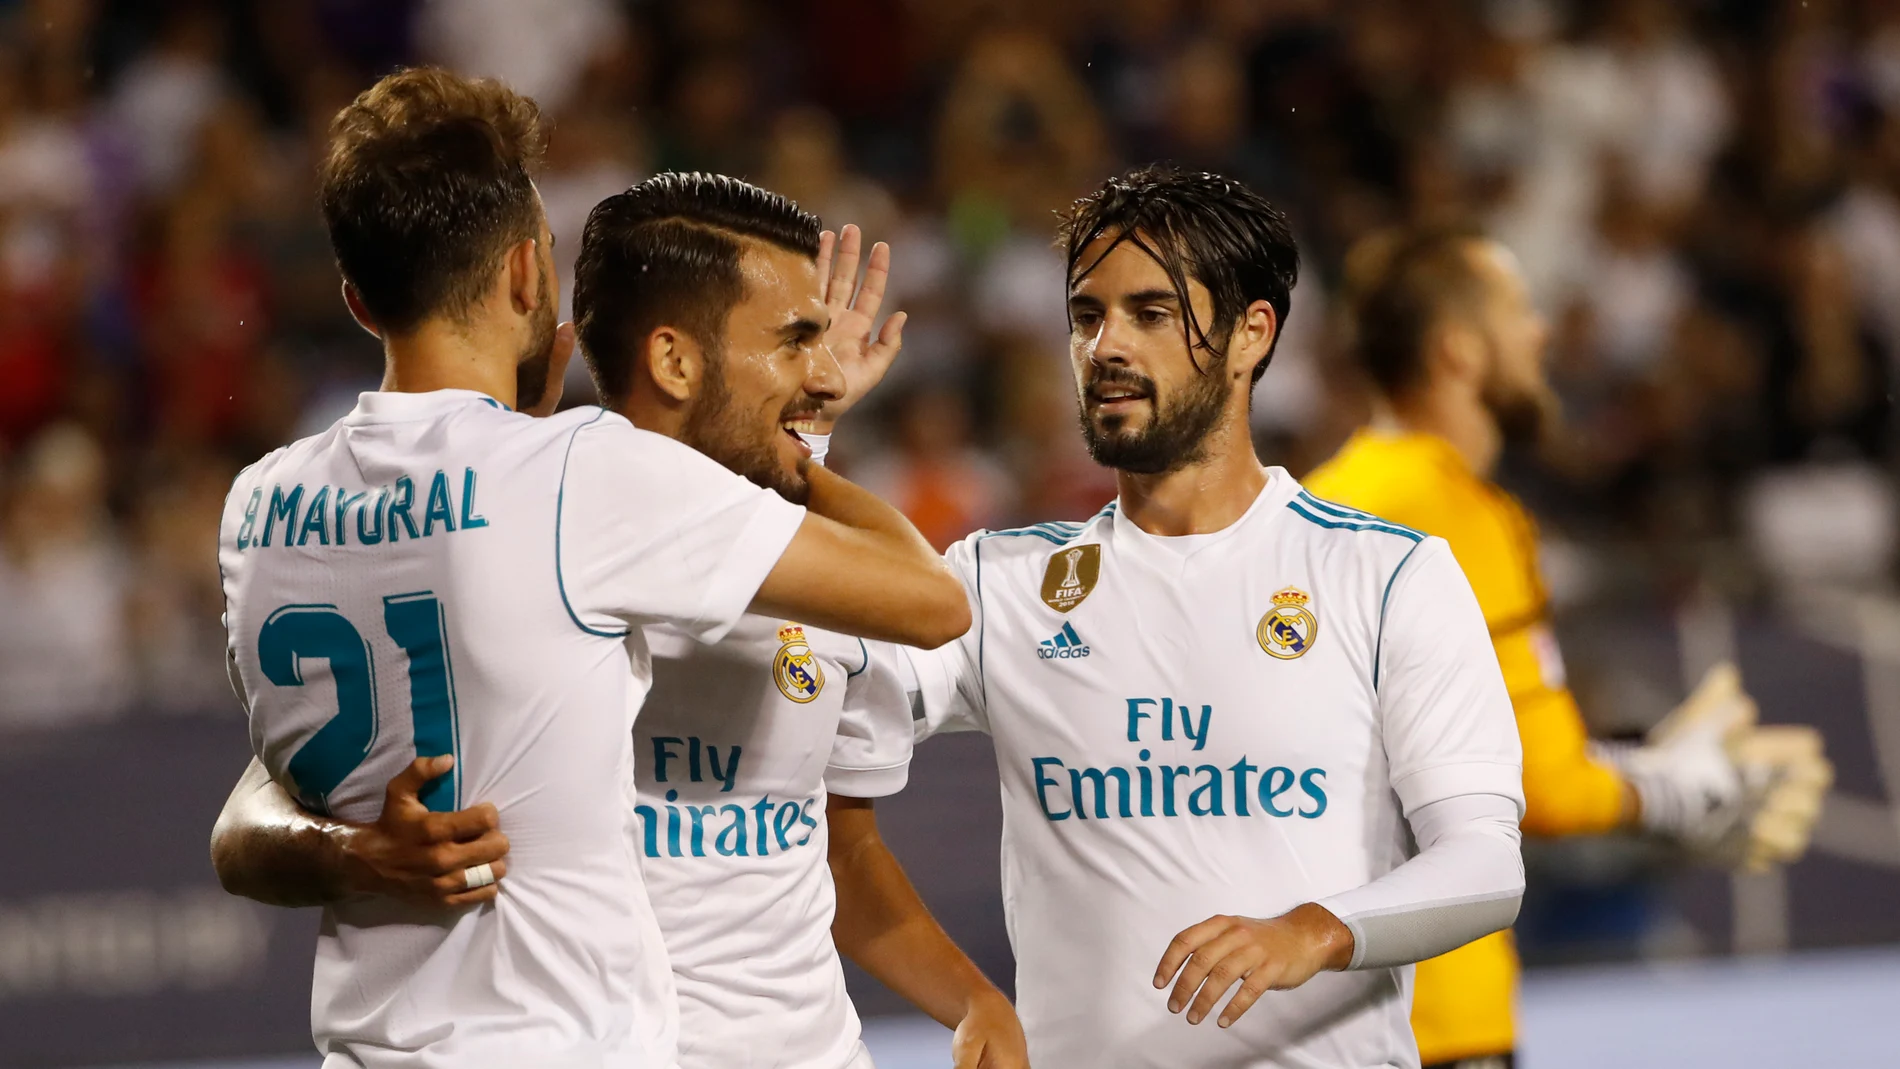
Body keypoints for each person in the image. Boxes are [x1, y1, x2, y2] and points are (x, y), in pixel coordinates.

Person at [214, 72, 967, 1069]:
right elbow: (928, 601)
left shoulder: (260, 503)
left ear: (358, 300)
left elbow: (250, 816)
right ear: (527, 276)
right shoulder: (581, 475)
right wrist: (808, 439)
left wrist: (354, 852)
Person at [900, 163, 1526, 1068]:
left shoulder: (1386, 575)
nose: (1106, 346)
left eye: (1151, 314)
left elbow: (1485, 865)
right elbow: (819, 706)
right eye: (1086, 316)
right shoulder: (1001, 585)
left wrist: (1312, 933)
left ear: (1250, 335)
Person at [1304, 225, 1832, 1069]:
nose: (1541, 332)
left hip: (1312, 1008)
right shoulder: (1458, 516)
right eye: (1517, 311)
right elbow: (1535, 785)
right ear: (1458, 352)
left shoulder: (1323, 498)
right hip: (1433, 1009)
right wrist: (1675, 791)